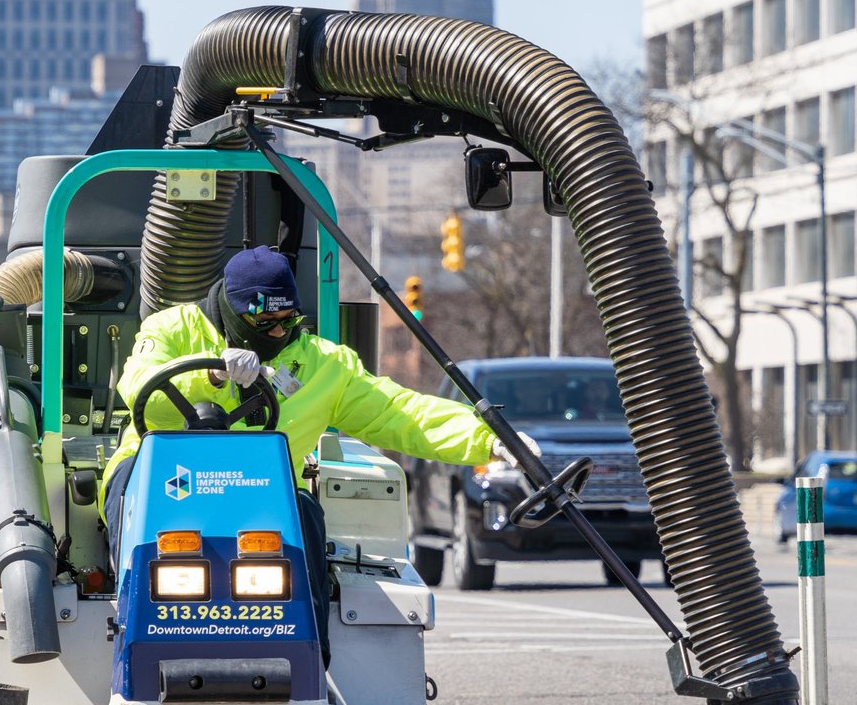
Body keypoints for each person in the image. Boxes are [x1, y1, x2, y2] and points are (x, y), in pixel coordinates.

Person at [101, 245, 536, 661]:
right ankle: (126, 628)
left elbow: (401, 412)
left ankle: (309, 658)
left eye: (288, 320)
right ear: (231, 309)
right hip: (165, 480)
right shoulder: (171, 329)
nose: (278, 332)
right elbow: (138, 385)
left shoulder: (322, 365)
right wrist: (212, 376)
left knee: (305, 513)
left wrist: (492, 441)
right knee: (129, 491)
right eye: (264, 321)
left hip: (262, 493)